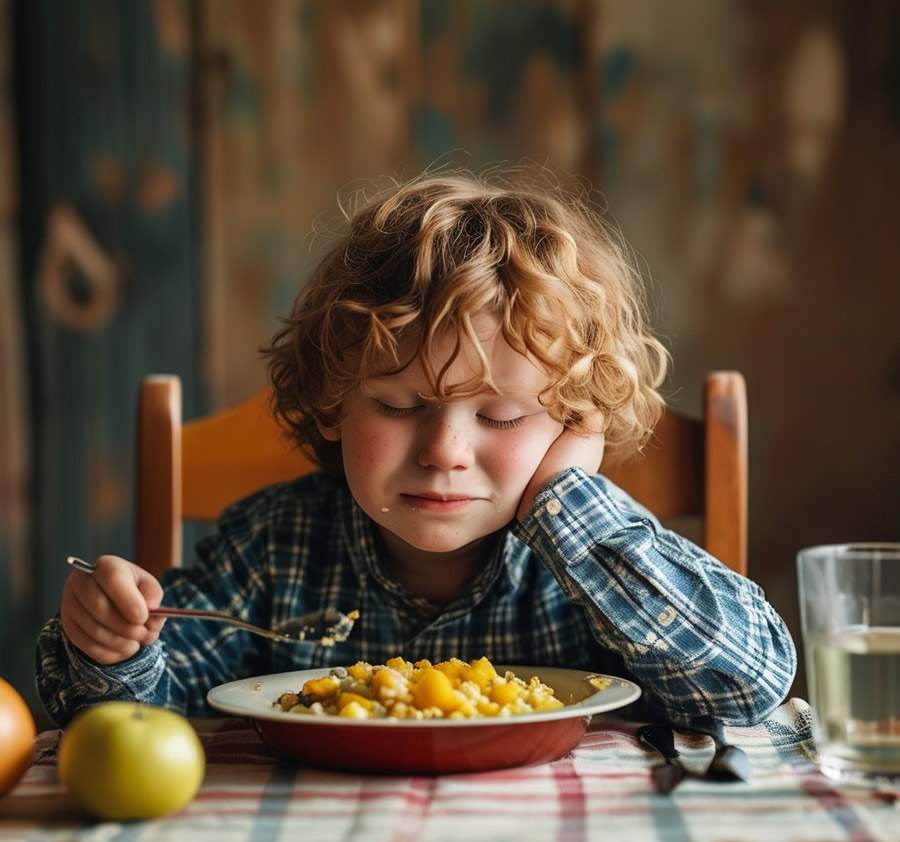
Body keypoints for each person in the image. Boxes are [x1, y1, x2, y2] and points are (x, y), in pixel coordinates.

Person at [36, 171, 796, 728]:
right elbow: (139, 720)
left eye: (500, 417)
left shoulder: (599, 564)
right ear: (333, 403)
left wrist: (569, 504)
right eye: (400, 406)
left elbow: (748, 686)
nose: (445, 450)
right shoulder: (274, 547)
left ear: (575, 424)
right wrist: (112, 648)